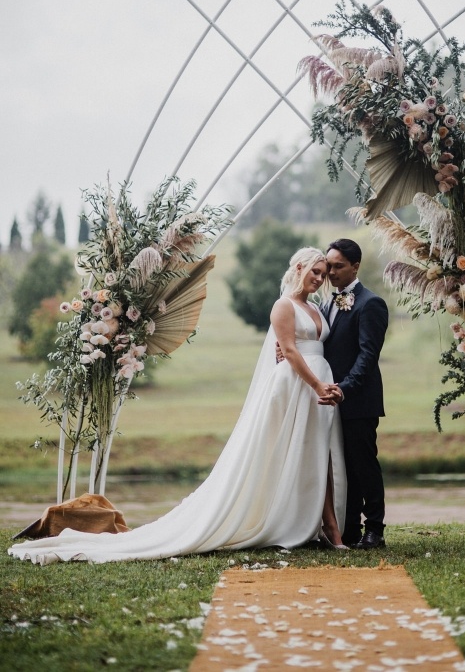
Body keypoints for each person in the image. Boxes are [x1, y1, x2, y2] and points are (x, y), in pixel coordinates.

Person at [8, 248, 347, 565]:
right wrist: (318, 384)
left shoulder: (316, 308)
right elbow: (288, 351)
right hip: (297, 388)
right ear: (299, 268)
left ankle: (323, 525)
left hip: (319, 389)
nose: (319, 278)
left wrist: (326, 384)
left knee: (316, 453)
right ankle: (301, 523)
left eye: (323, 274)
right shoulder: (283, 306)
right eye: (314, 272)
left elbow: (310, 346)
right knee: (285, 452)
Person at [321, 238, 388, 549]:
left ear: (355, 266)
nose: (331, 272)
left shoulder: (370, 303)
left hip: (358, 400)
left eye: (338, 266)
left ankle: (374, 529)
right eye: (328, 266)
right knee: (340, 468)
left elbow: (367, 355)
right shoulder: (325, 304)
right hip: (327, 400)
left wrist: (344, 389)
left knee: (363, 465)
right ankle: (348, 530)